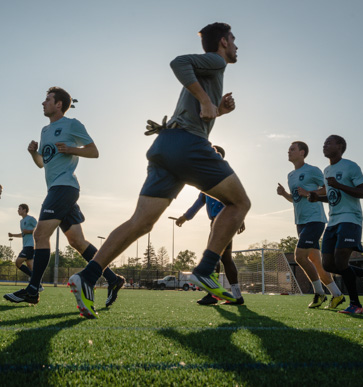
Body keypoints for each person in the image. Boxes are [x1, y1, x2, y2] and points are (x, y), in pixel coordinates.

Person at [69, 22, 251, 319]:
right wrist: (207, 100)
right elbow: (178, 62)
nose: (236, 45)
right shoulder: (217, 61)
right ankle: (205, 270)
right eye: (233, 39)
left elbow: (195, 108)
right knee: (240, 202)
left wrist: (218, 108)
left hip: (165, 147)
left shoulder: (211, 70)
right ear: (222, 42)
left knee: (140, 222)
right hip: (188, 145)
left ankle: (87, 277)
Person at [4, 87, 125, 307]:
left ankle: (33, 289)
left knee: (41, 235)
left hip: (65, 187)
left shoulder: (72, 124)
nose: (43, 103)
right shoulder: (44, 131)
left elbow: (94, 151)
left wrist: (71, 149)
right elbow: (42, 163)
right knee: (77, 241)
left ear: (59, 104)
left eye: (47, 99)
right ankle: (113, 279)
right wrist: (33, 153)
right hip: (56, 189)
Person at [306, 135, 363, 314]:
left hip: (350, 219)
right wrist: (318, 197)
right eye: (323, 143)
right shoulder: (326, 170)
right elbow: (333, 198)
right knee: (329, 265)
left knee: (341, 261)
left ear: (340, 146)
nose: (324, 145)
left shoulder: (350, 166)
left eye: (328, 143)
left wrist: (339, 185)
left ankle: (356, 304)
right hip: (333, 221)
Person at [276, 141, 344, 309]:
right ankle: (337, 294)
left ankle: (319, 293)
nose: (288, 151)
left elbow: (328, 189)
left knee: (299, 257)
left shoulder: (312, 170)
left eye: (292, 149)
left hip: (315, 220)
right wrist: (284, 194)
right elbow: (295, 199)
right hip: (300, 222)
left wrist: (310, 193)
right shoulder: (291, 175)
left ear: (302, 152)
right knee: (316, 262)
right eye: (288, 149)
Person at [175, 146, 245, 305]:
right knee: (223, 258)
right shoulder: (207, 179)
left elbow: (237, 199)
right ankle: (233, 296)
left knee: (215, 258)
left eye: (214, 152)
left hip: (224, 221)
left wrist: (240, 219)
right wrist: (185, 217)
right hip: (217, 222)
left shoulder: (225, 176)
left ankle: (215, 295)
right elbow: (200, 201)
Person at [8, 204, 37, 281]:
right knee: (31, 268)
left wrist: (29, 231)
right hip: (26, 246)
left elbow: (39, 229)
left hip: (30, 246)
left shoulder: (31, 219)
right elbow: (23, 234)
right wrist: (13, 235)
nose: (18, 210)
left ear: (24, 210)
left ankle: (34, 280)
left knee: (18, 263)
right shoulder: (21, 221)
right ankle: (37, 285)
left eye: (19, 208)